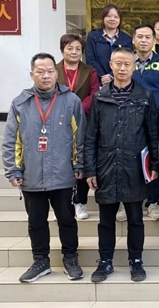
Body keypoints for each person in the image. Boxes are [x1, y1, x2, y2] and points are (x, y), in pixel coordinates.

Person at [2, 53, 85, 283]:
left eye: (50, 71)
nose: (46, 75)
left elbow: (80, 137)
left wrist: (80, 164)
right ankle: (40, 261)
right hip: (32, 175)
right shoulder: (20, 103)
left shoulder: (71, 101)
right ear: (32, 74)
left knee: (67, 220)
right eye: (40, 71)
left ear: (56, 73)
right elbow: (11, 140)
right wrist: (13, 170)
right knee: (36, 222)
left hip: (63, 174)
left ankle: (70, 259)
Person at [84, 47, 159, 283]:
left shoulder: (144, 96)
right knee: (106, 220)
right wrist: (90, 169)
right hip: (106, 166)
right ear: (111, 65)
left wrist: (155, 164)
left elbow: (153, 134)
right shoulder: (100, 97)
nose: (122, 68)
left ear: (134, 67)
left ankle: (136, 260)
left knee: (135, 219)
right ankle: (105, 261)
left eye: (127, 64)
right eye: (118, 63)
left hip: (134, 167)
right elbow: (91, 136)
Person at [131, 23, 159, 221]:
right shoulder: (126, 61)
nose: (143, 40)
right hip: (129, 119)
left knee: (155, 160)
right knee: (130, 160)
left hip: (155, 119)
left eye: (148, 37)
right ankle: (128, 202)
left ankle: (153, 202)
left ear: (154, 40)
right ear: (133, 40)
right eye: (140, 37)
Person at [56, 34, 99, 221]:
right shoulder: (54, 70)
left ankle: (80, 201)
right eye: (70, 48)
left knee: (81, 159)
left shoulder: (90, 71)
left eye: (78, 49)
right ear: (62, 50)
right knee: (62, 162)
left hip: (84, 120)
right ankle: (63, 204)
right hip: (58, 121)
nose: (74, 52)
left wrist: (79, 108)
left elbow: (95, 93)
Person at [85, 4, 133, 85]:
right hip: (98, 82)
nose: (112, 19)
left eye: (116, 17)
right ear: (103, 18)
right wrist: (103, 77)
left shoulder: (126, 39)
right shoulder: (93, 36)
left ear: (120, 20)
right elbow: (90, 59)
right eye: (109, 16)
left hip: (120, 82)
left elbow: (128, 61)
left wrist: (111, 76)